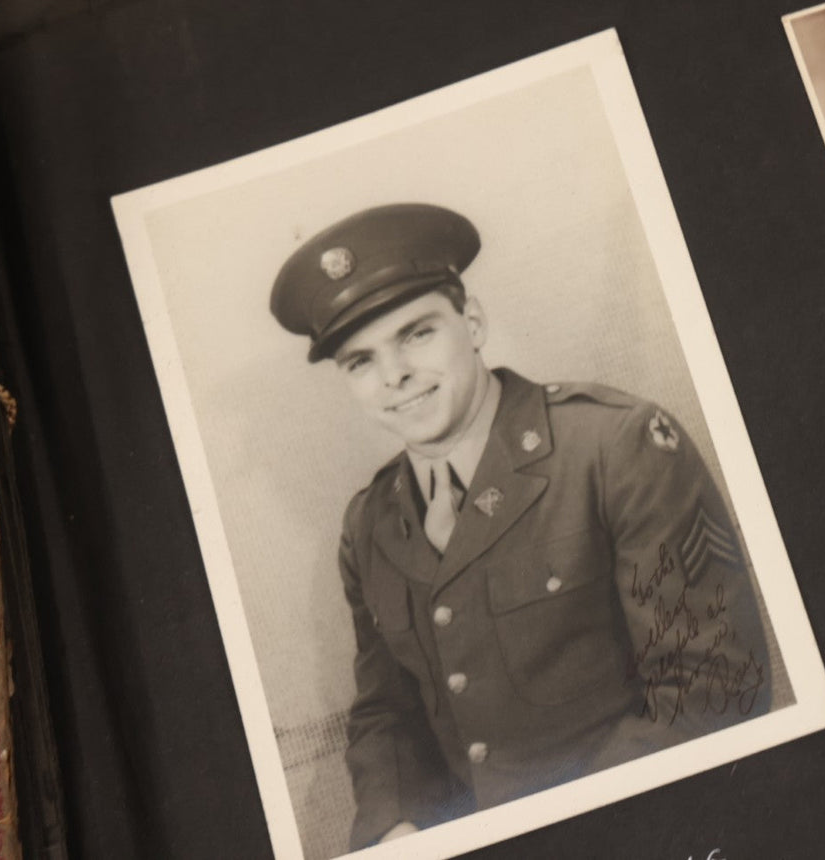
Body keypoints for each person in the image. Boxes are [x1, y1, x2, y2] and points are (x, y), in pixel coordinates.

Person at [270, 203, 770, 848]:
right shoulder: (369, 525)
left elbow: (715, 685)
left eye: (416, 334)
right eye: (360, 362)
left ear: (473, 323)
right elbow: (387, 711)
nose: (393, 376)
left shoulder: (613, 447)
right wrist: (395, 827)